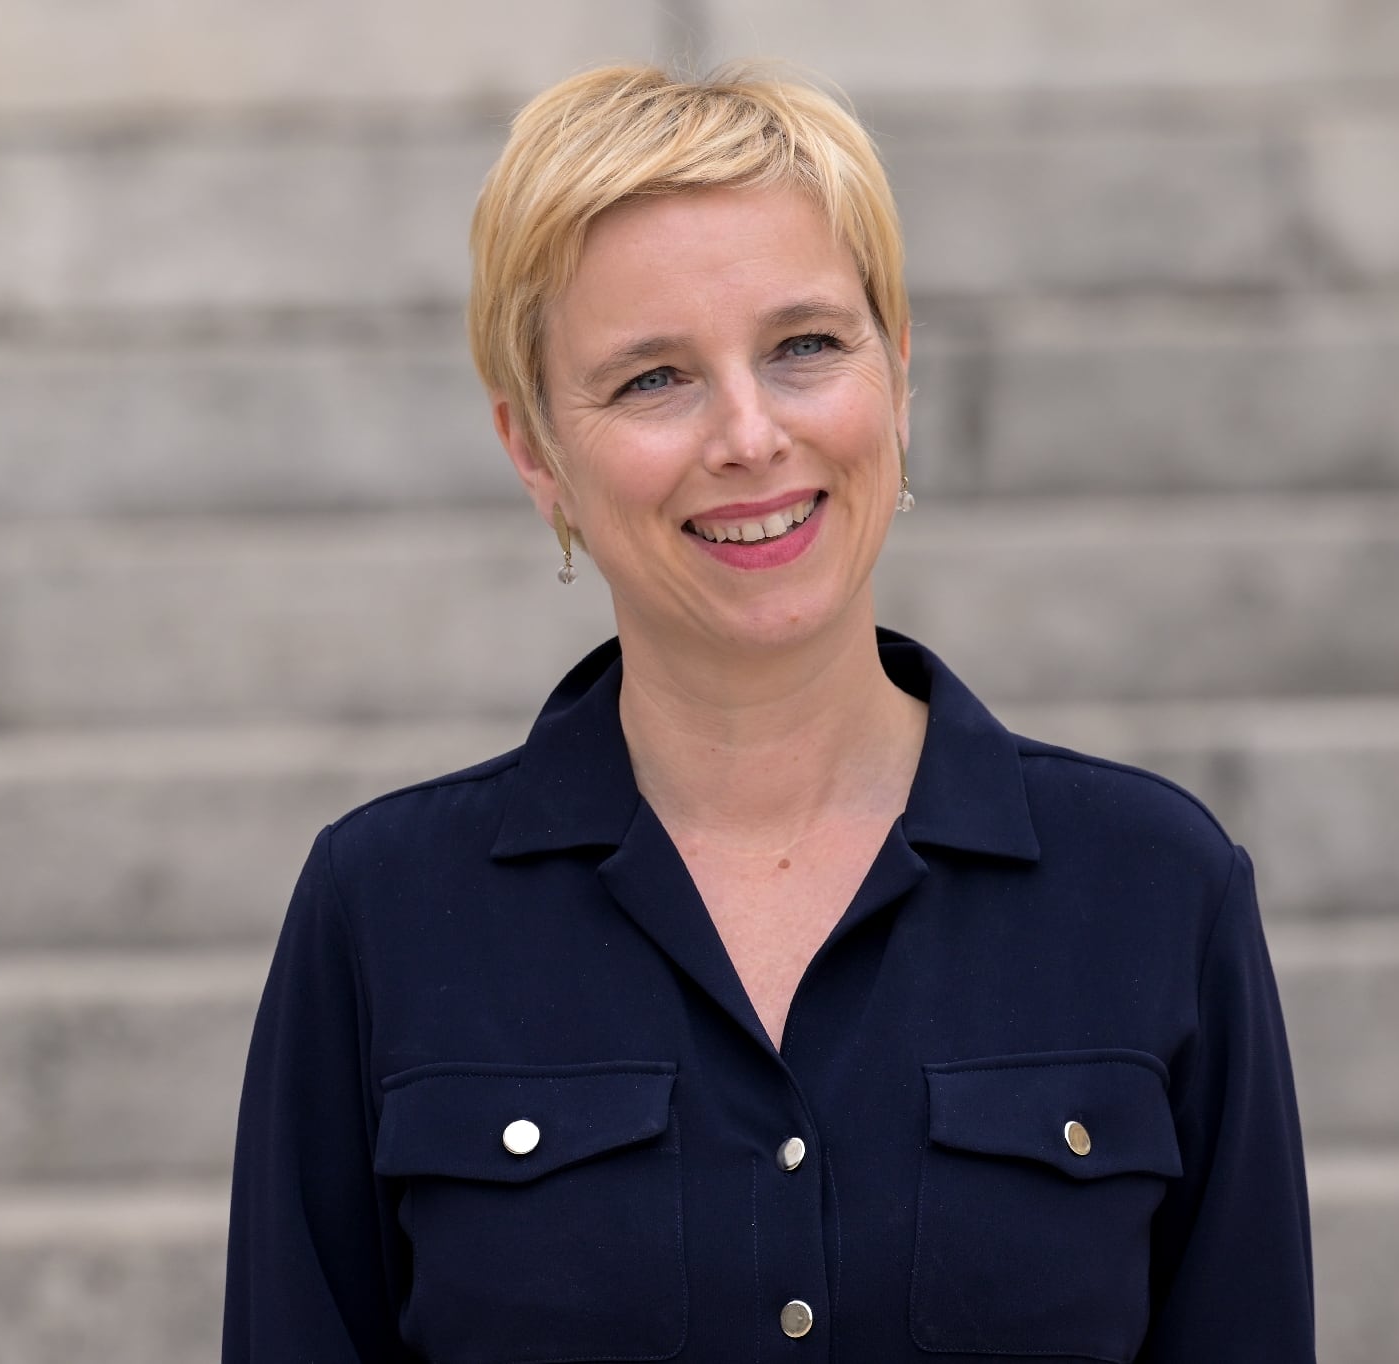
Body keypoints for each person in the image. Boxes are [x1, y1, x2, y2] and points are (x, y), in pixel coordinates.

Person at [223, 62, 1313, 1363]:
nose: (748, 435)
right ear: (535, 453)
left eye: (804, 347)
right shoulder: (381, 912)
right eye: (652, 380)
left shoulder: (1153, 886)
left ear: (898, 378)